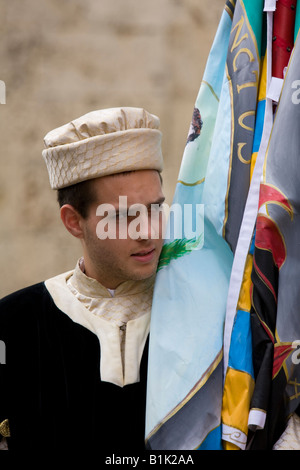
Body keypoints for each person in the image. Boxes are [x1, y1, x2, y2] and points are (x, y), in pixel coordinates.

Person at [0, 107, 165, 451]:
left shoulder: (208, 313)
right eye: (125, 216)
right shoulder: (12, 325)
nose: (149, 231)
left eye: (155, 209)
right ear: (74, 222)